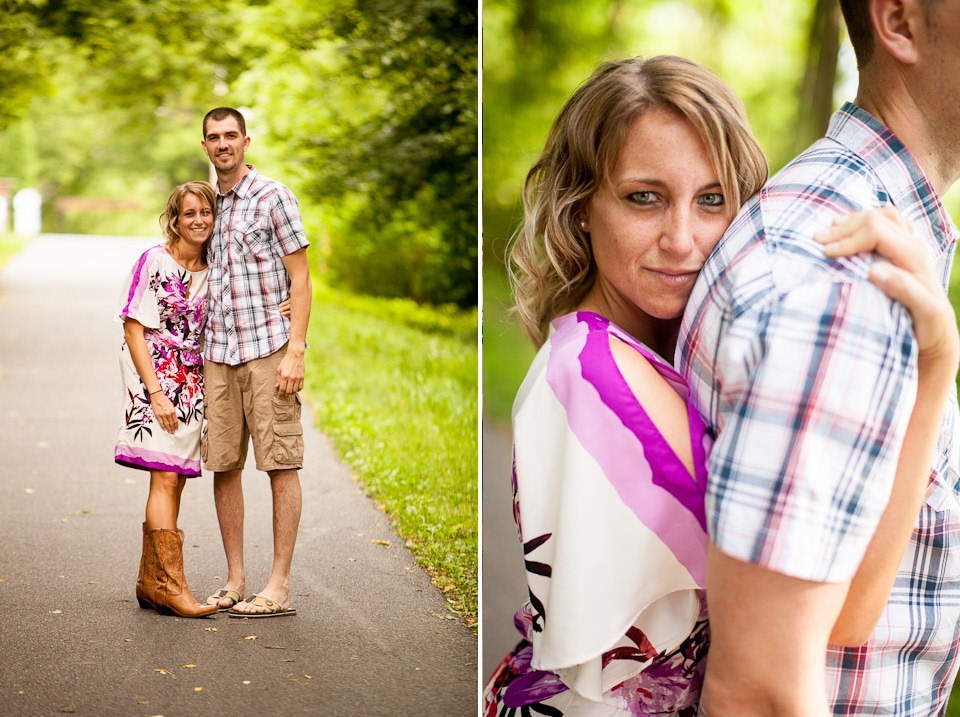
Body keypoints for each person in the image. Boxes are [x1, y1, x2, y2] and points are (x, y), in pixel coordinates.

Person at [483, 54, 959, 716]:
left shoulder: (623, 353)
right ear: (582, 206)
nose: (682, 239)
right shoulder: (598, 377)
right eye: (642, 197)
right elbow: (835, 620)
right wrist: (934, 367)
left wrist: (929, 366)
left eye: (711, 200)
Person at [676, 0, 960, 713]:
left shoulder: (873, 250)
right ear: (897, 20)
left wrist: (937, 366)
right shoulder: (846, 281)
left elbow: (842, 621)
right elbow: (759, 689)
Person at [199, 106, 312, 618]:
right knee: (225, 465)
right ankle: (235, 580)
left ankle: (278, 585)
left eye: (230, 135)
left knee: (280, 464)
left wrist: (296, 350)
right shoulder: (207, 206)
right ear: (205, 147)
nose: (222, 144)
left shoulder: (273, 197)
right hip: (218, 355)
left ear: (246, 141)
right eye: (213, 137)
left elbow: (302, 278)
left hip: (268, 351)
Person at [116, 181, 220, 619]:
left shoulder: (216, 267)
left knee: (174, 477)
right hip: (153, 374)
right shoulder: (154, 260)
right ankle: (173, 588)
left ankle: (151, 583)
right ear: (174, 219)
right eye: (189, 213)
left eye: (206, 213)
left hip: (192, 378)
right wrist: (155, 394)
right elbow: (132, 326)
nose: (198, 221)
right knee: (162, 476)